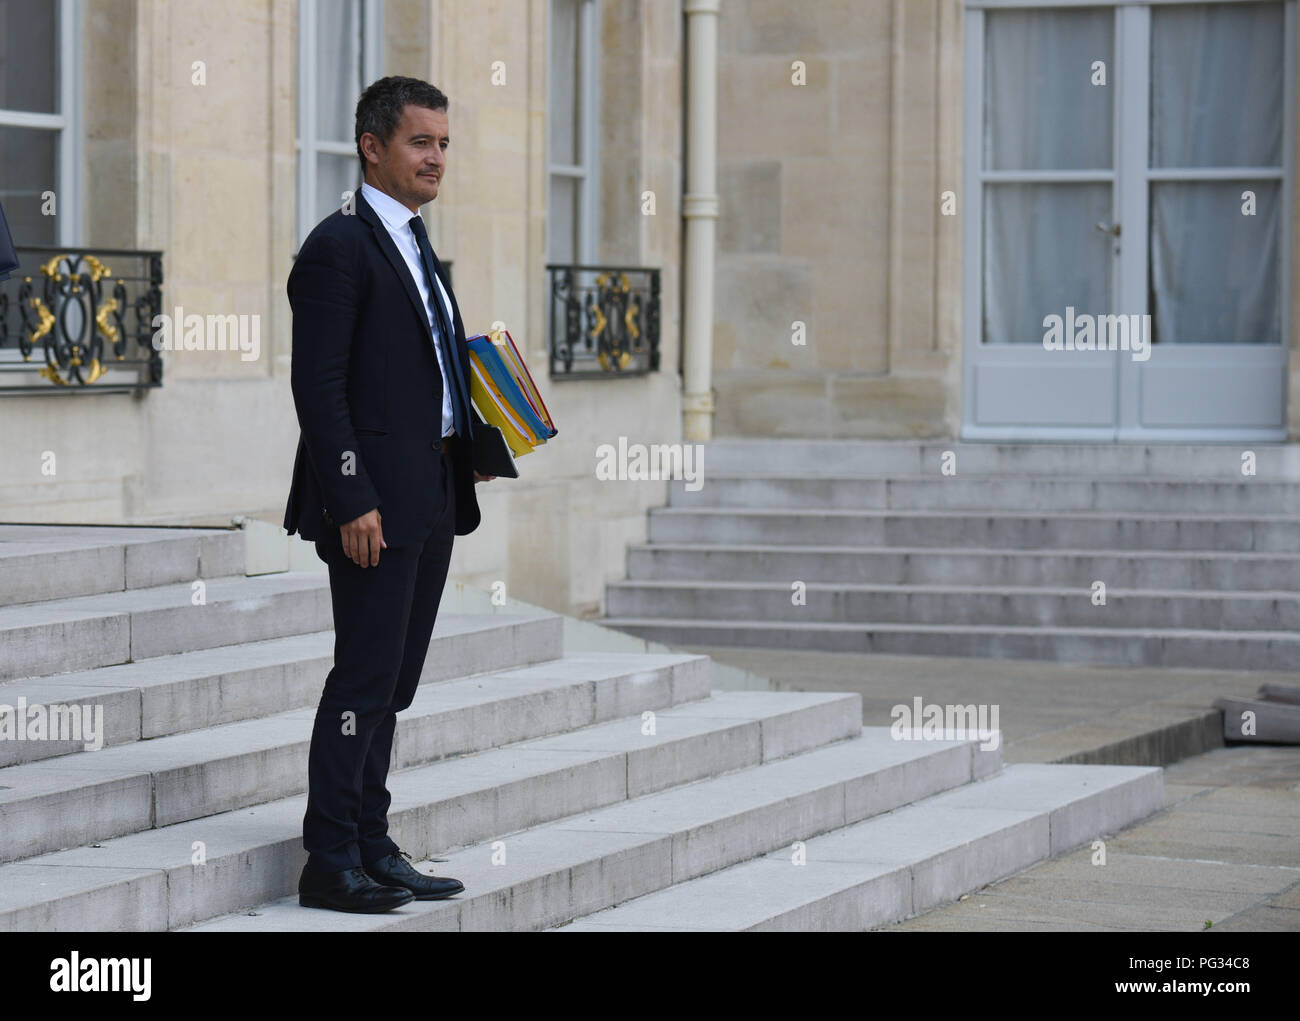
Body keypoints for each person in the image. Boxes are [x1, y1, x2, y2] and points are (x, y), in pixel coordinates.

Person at [282, 76, 494, 913]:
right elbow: (318, 386)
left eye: (443, 143)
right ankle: (328, 857)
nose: (437, 157)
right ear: (374, 147)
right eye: (420, 142)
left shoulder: (417, 243)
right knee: (362, 678)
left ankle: (372, 839)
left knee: (396, 681)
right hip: (369, 502)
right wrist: (349, 496)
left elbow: (431, 369)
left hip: (433, 488)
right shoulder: (339, 245)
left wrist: (469, 445)